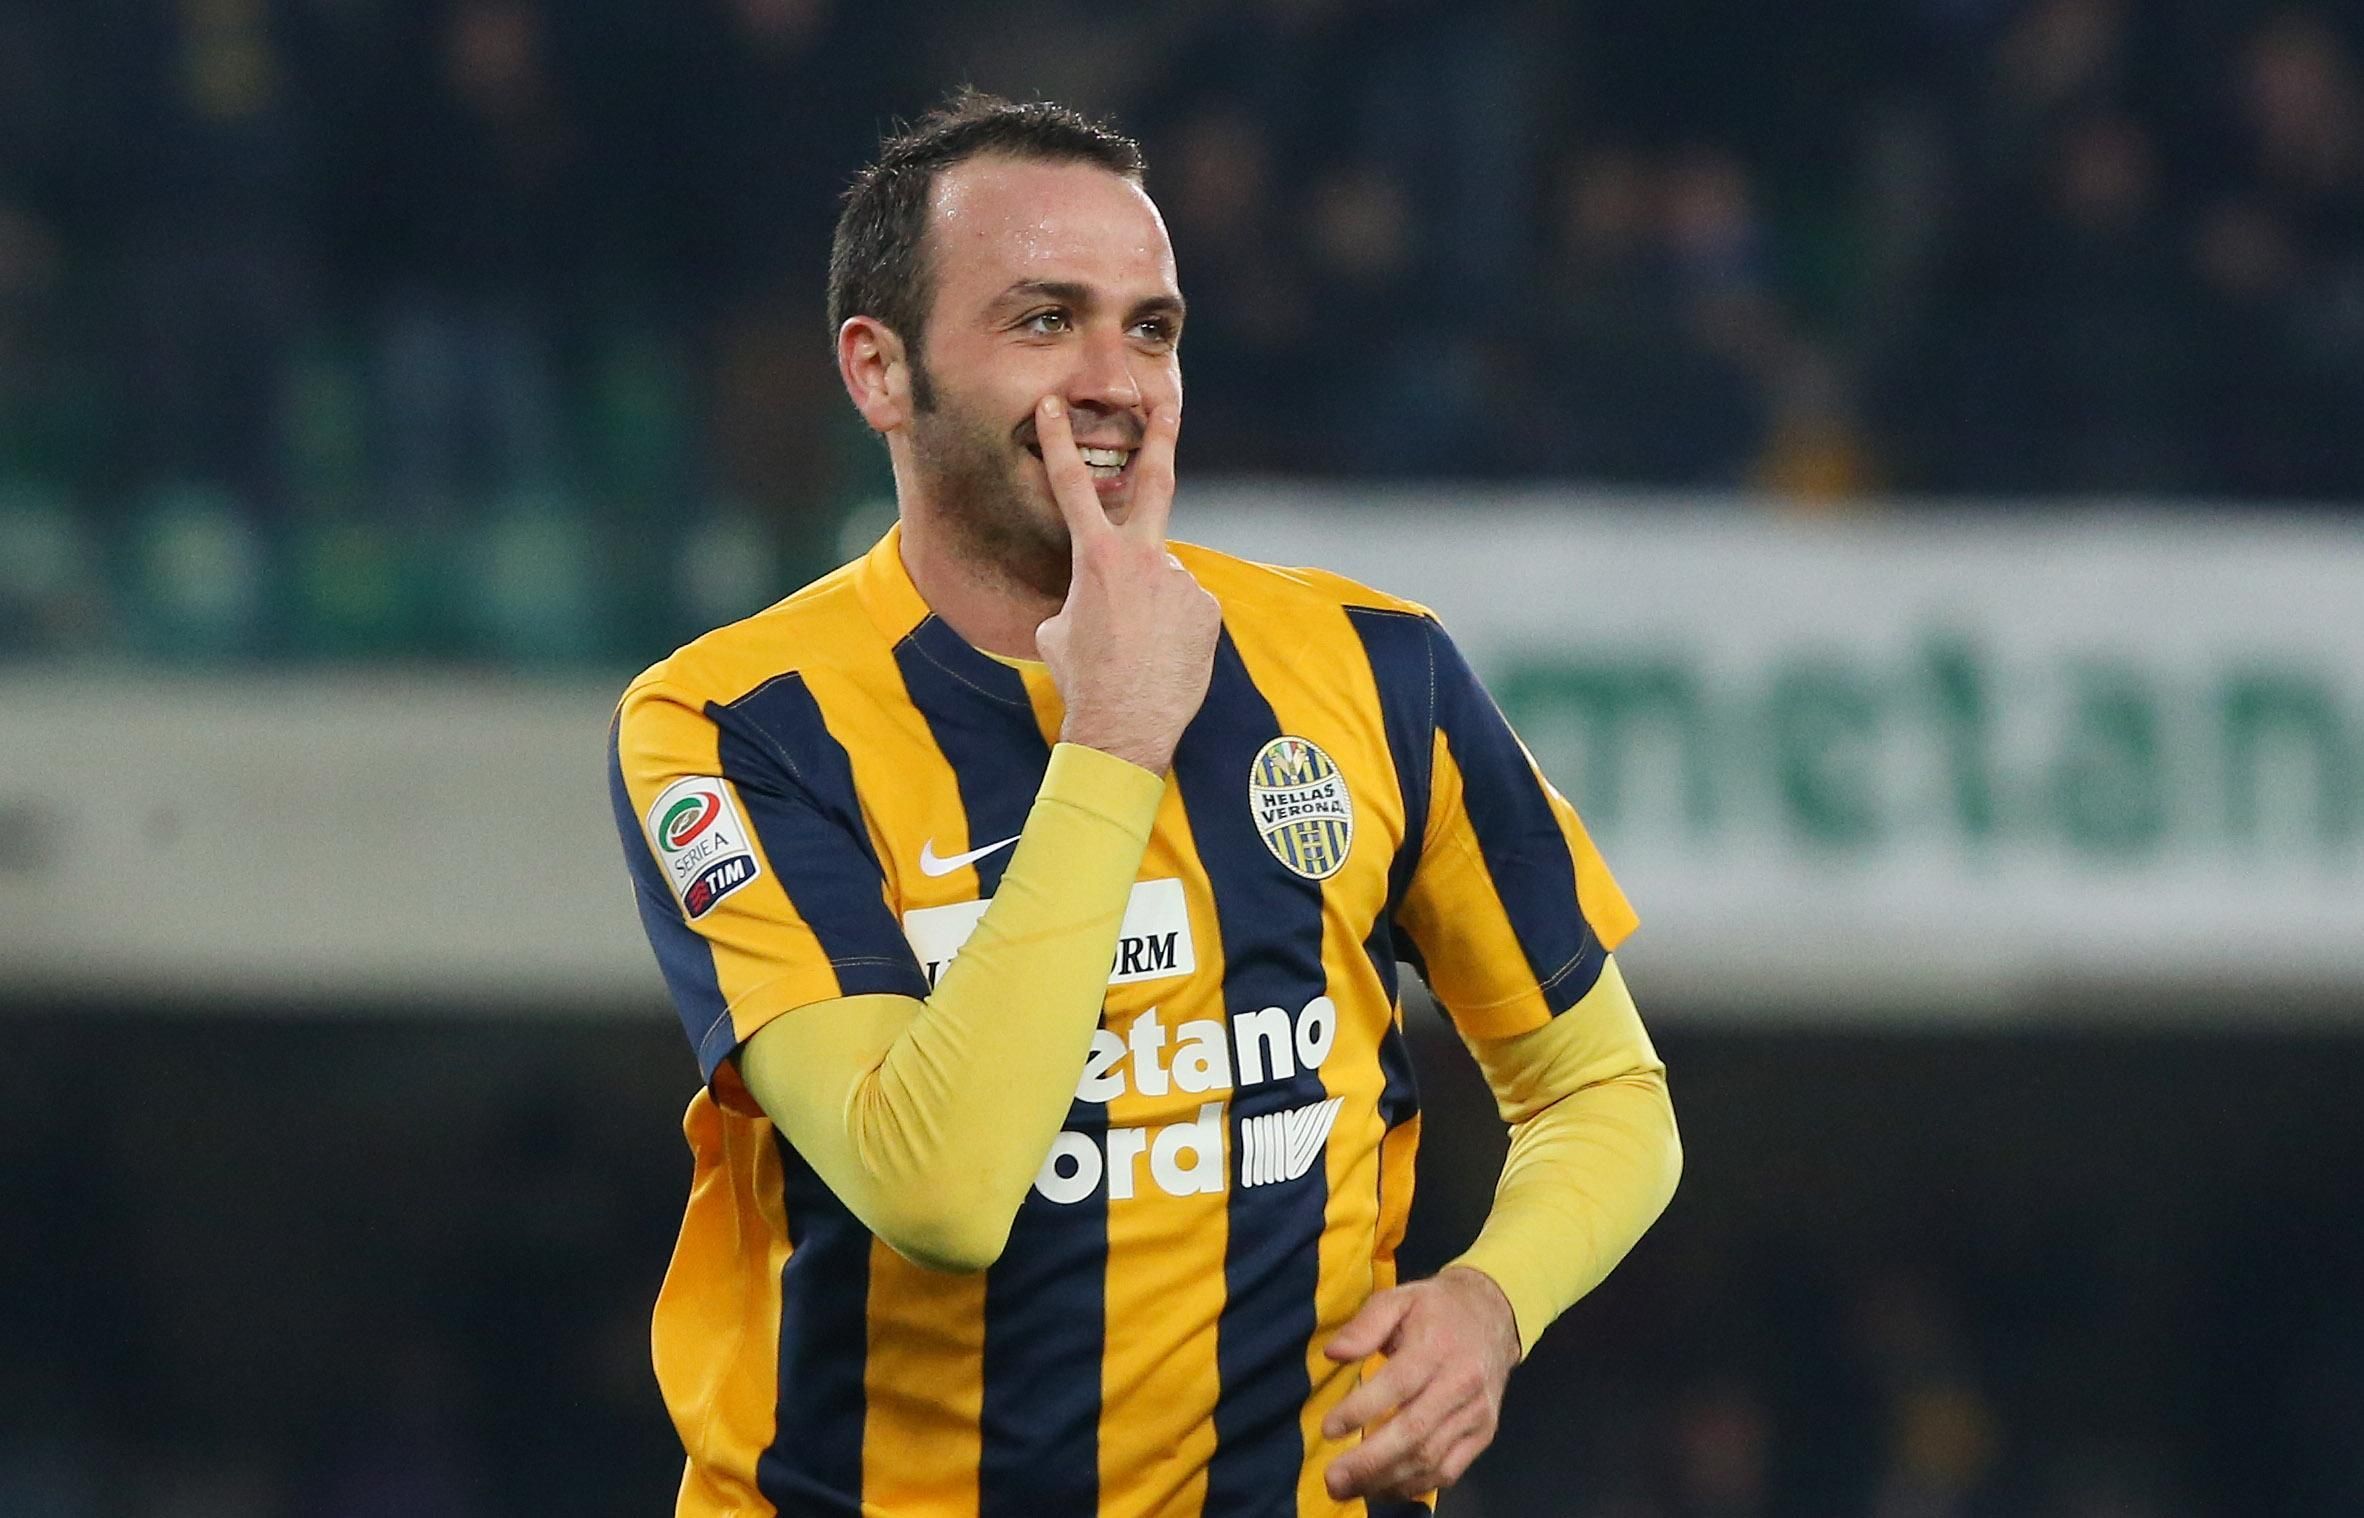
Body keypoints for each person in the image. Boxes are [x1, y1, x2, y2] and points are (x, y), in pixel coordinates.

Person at [609, 91, 1681, 1517]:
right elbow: (937, 1190)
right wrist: (1114, 732)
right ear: (879, 369)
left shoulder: (1375, 670)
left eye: (1154, 327)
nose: (1119, 377)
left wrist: (1493, 1300)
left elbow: (1605, 1093)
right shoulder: (737, 723)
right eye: (1045, 320)